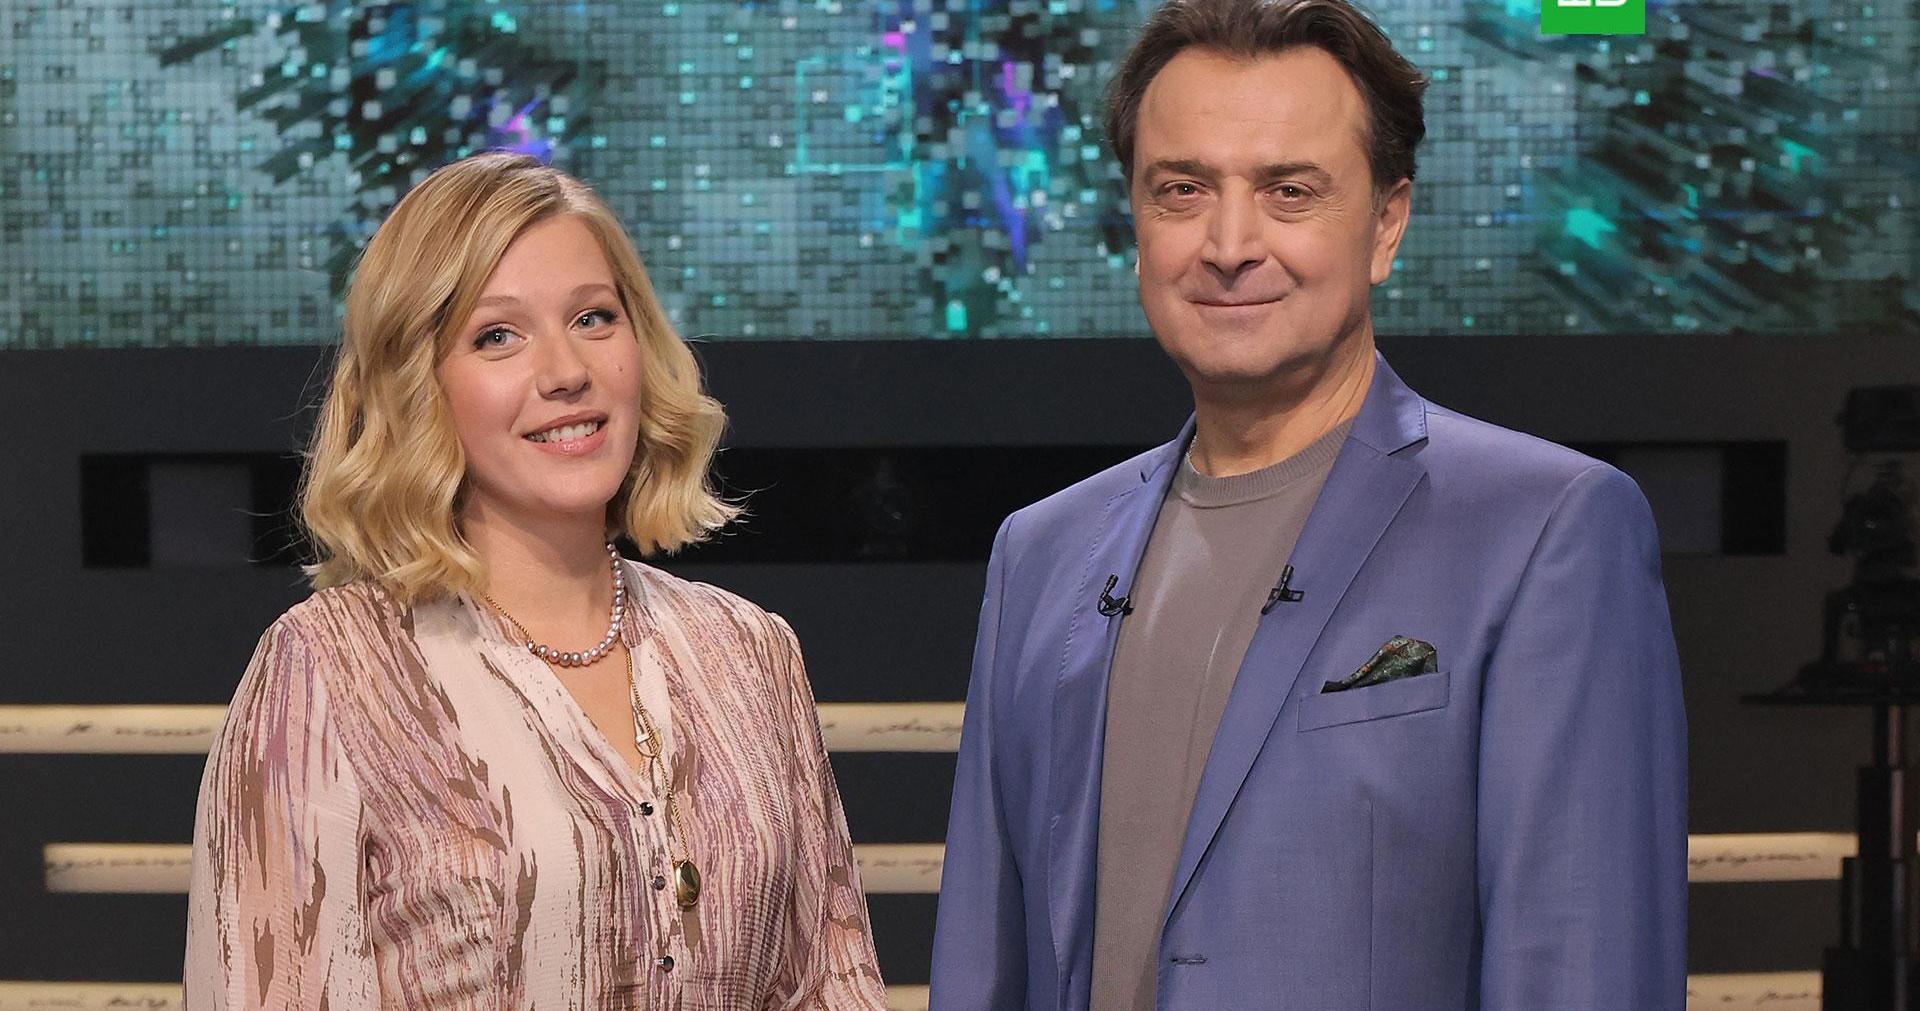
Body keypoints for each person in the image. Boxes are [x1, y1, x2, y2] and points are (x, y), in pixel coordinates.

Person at [928, 0, 1688, 1008]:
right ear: (1136, 222)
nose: (1229, 243)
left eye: (1289, 192)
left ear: (1386, 224)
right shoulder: (1039, 553)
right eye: (1182, 190)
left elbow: (1584, 970)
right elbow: (985, 965)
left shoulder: (1547, 531)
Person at [184, 152, 886, 1010]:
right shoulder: (328, 671)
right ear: (417, 386)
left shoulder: (750, 652)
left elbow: (832, 984)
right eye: (498, 336)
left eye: (594, 317)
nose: (565, 370)